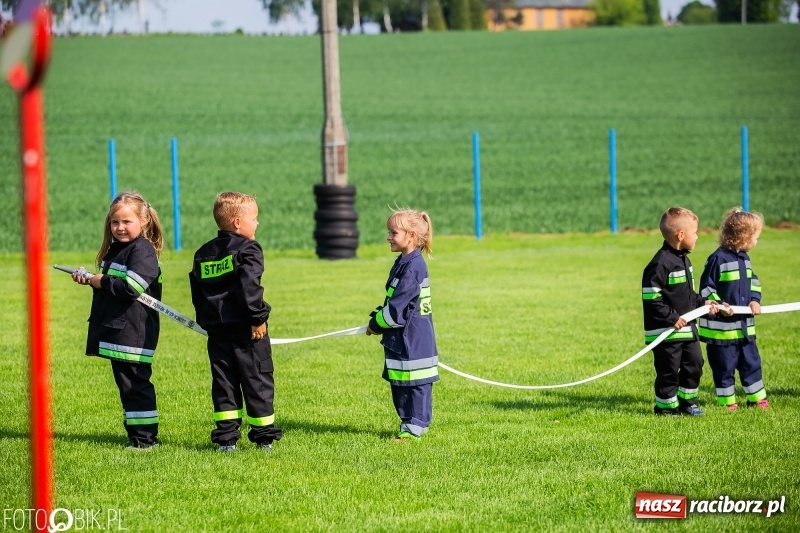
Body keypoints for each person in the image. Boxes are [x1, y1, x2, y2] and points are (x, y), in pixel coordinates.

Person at [189, 192, 282, 452]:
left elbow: (197, 291)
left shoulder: (203, 253)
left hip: (217, 333)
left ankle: (226, 439)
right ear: (238, 223)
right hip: (247, 332)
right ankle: (264, 438)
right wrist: (257, 319)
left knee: (224, 383)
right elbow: (249, 286)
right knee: (258, 380)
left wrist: (207, 322)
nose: (258, 223)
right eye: (254, 218)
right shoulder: (248, 248)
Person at [72, 191, 163, 449]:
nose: (119, 227)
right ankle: (138, 436)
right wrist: (91, 281)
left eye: (126, 222)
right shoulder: (118, 249)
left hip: (132, 332)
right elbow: (113, 288)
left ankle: (144, 440)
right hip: (119, 330)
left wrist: (101, 281)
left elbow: (131, 288)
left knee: (135, 386)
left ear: (144, 220)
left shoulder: (142, 251)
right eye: (115, 222)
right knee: (127, 386)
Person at [641, 206, 724, 417]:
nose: (697, 237)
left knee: (695, 364)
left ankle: (688, 402)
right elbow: (651, 298)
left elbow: (688, 297)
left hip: (688, 330)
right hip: (666, 332)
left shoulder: (684, 261)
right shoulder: (660, 264)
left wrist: (707, 304)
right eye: (695, 233)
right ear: (681, 235)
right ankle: (666, 408)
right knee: (669, 370)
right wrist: (671, 318)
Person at [367, 209, 439, 441]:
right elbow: (396, 302)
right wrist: (380, 316)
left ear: (410, 235)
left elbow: (397, 311)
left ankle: (413, 428)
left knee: (415, 384)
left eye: (393, 232)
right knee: (401, 384)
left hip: (412, 339)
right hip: (402, 338)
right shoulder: (404, 262)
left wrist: (376, 324)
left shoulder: (413, 267)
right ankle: (410, 424)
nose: (388, 237)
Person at [699, 208, 767, 411]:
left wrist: (755, 300)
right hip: (722, 331)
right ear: (744, 237)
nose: (757, 241)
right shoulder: (717, 259)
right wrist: (719, 306)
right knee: (724, 367)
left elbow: (753, 282)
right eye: (756, 237)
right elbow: (706, 288)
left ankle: (756, 398)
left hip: (744, 328)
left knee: (751, 363)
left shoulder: (745, 259)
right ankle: (728, 402)